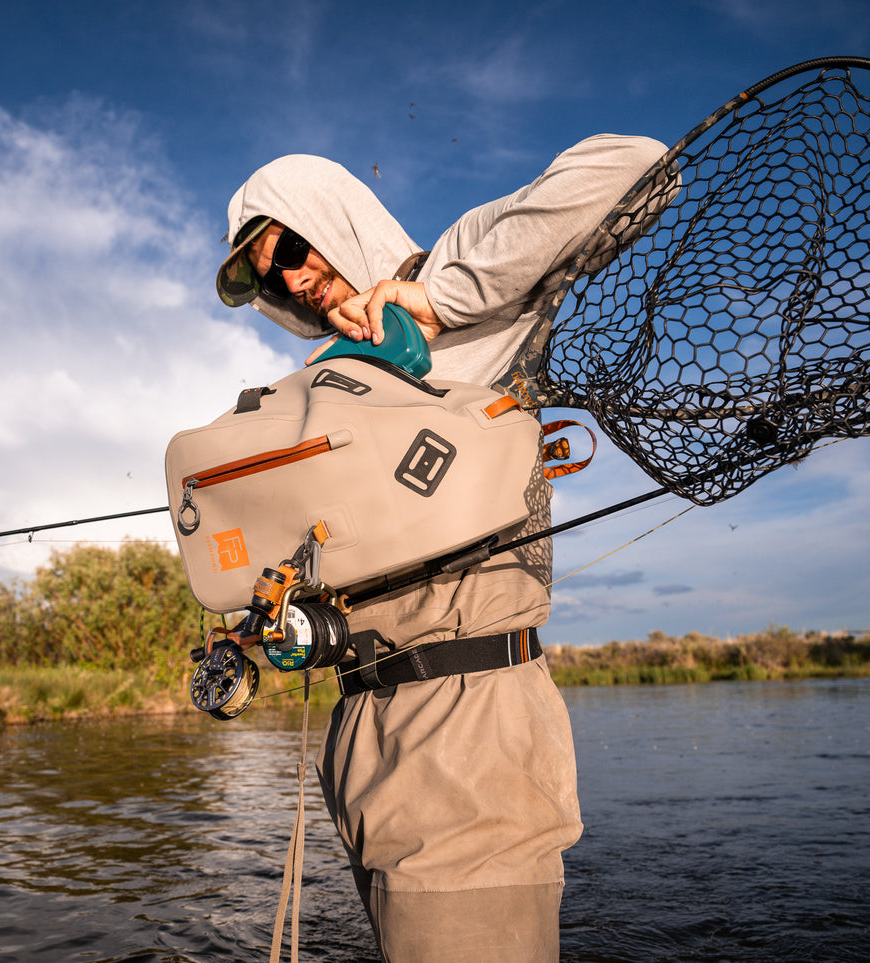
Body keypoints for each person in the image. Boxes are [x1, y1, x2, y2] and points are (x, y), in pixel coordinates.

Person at [215, 134, 670, 962]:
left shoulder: (459, 274)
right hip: (360, 744)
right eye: (259, 271)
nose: (284, 277)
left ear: (332, 216)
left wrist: (433, 300)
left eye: (286, 244)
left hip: (469, 735)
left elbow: (637, 166)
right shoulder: (319, 385)